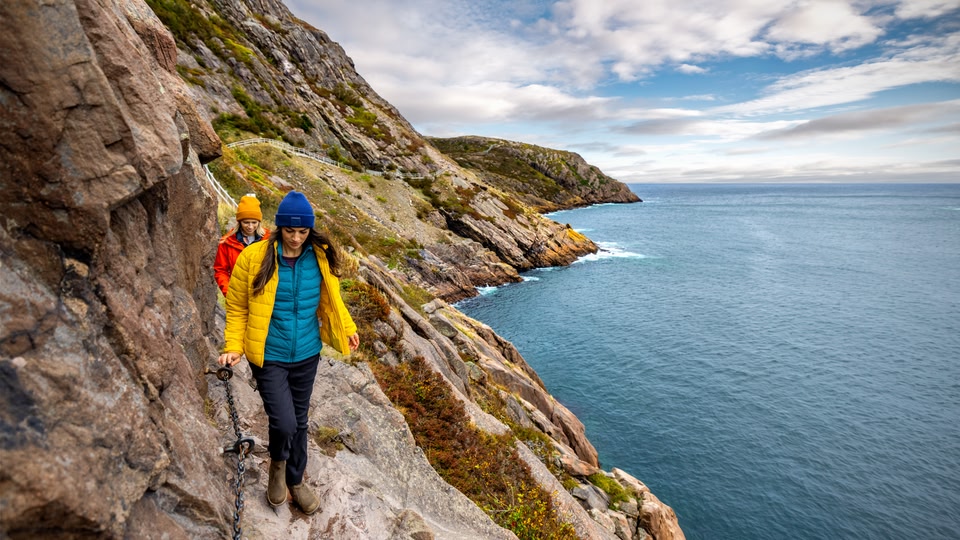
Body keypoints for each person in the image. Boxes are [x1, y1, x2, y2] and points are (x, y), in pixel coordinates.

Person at [218, 191, 360, 514]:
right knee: (283, 422)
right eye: (289, 231)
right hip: (270, 356)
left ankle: (295, 479)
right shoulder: (254, 257)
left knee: (299, 420)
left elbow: (332, 300)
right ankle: (278, 465)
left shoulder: (320, 256)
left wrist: (348, 328)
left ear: (310, 230)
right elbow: (237, 305)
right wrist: (233, 346)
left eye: (302, 232)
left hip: (308, 353)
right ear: (278, 227)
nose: (296, 239)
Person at [214, 194, 269, 296]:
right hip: (237, 296)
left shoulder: (269, 240)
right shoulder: (227, 242)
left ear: (259, 222)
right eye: (246, 222)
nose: (250, 226)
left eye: (254, 222)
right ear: (239, 222)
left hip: (263, 296)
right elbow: (220, 270)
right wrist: (229, 292)